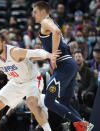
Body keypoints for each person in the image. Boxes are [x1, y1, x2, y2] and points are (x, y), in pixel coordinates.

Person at [32, 1, 94, 131]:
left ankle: (82, 125)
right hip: (69, 65)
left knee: (49, 101)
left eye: (35, 11)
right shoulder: (51, 21)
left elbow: (56, 32)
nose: (33, 15)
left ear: (43, 12)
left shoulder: (45, 21)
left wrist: (53, 55)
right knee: (64, 103)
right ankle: (83, 126)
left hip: (63, 65)